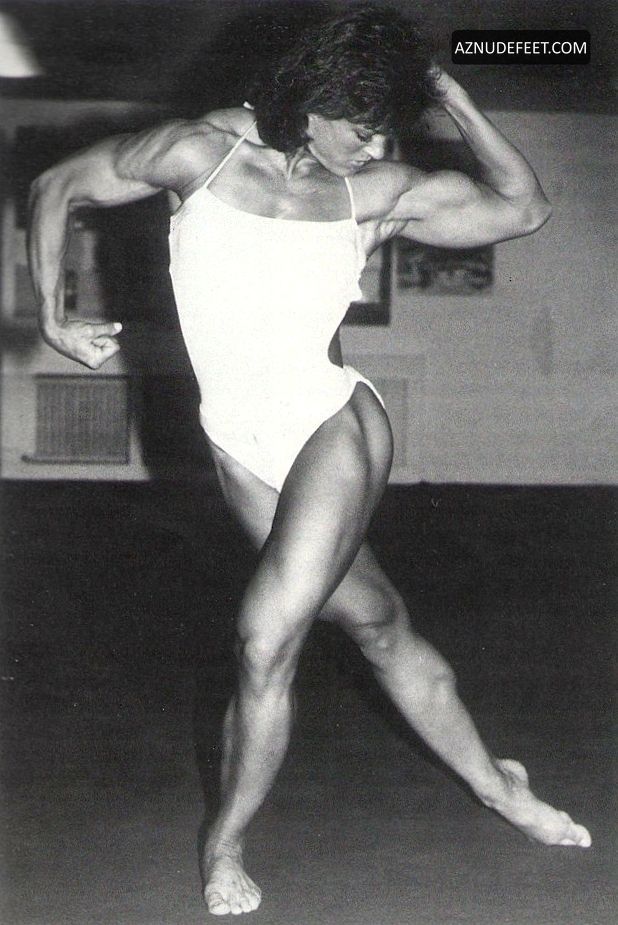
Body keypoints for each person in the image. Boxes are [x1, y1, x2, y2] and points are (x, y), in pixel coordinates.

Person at [28, 5, 591, 917]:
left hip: (333, 424)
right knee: (377, 624)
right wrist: (54, 315)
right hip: (238, 444)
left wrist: (449, 92)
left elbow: (526, 208)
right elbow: (57, 184)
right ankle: (502, 784)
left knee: (264, 640)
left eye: (385, 132)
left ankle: (224, 845)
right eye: (361, 128)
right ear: (316, 104)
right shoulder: (199, 153)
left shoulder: (374, 194)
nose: (376, 148)